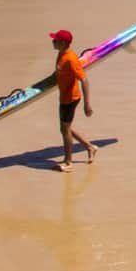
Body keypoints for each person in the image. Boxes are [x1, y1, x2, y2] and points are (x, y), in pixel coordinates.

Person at [50, 30, 95, 172]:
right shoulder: (61, 53)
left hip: (71, 99)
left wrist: (87, 104)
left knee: (65, 129)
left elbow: (84, 80)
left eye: (55, 40)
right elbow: (60, 71)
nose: (53, 42)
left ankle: (68, 162)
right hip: (64, 97)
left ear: (63, 43)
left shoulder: (70, 58)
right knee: (65, 128)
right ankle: (90, 147)